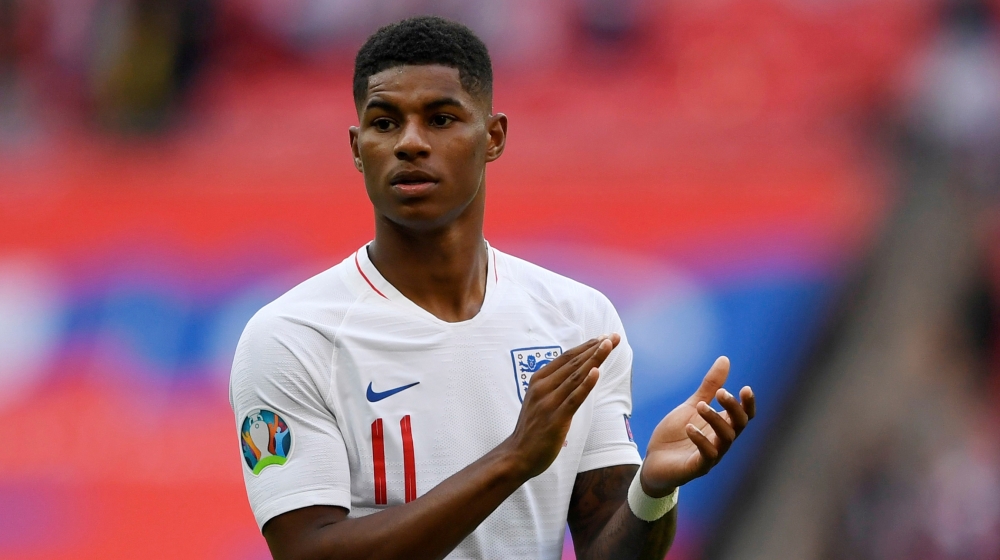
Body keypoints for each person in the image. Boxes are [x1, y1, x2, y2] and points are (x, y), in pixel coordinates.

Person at [229, 15, 755, 560]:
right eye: (385, 123)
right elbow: (307, 552)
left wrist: (653, 491)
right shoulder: (293, 336)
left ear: (493, 137)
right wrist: (514, 458)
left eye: (440, 119)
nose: (410, 143)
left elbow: (606, 547)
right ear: (358, 147)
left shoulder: (578, 320)